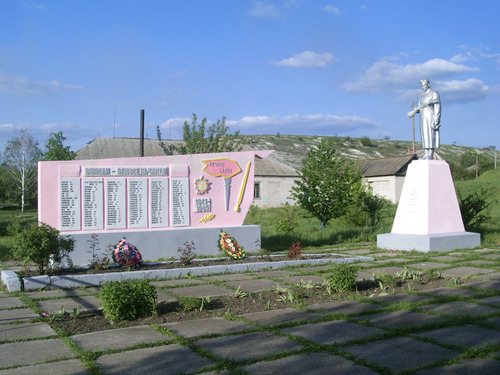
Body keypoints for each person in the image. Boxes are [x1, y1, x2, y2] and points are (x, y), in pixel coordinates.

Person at [407, 79, 441, 160]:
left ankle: (430, 153)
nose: (423, 86)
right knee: (424, 134)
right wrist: (415, 111)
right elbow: (420, 107)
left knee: (430, 134)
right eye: (422, 85)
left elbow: (438, 107)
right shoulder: (422, 95)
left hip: (430, 116)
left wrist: (436, 119)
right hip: (422, 116)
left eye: (425, 84)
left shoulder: (434, 93)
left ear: (428, 83)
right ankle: (426, 152)